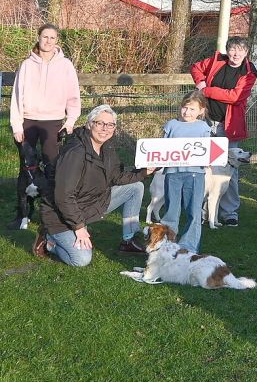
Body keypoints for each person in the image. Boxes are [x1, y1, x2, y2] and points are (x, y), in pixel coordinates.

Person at [36, 105, 154, 266]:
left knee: (136, 187)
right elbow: (63, 197)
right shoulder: (75, 152)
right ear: (89, 124)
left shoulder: (108, 147)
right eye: (100, 123)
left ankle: (129, 240)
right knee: (81, 259)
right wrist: (79, 227)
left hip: (90, 204)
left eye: (110, 125)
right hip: (60, 216)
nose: (105, 129)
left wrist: (144, 172)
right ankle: (49, 241)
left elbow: (117, 176)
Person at [190, 36, 257, 227]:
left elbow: (235, 96)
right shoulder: (216, 60)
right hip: (206, 121)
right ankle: (202, 210)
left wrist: (208, 91)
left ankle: (229, 212)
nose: (235, 53)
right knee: (204, 166)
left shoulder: (249, 72)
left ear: (246, 53)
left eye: (240, 50)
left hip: (227, 126)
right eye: (232, 49)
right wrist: (201, 83)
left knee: (229, 168)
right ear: (227, 51)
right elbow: (195, 67)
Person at [9, 23, 81, 178]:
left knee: (52, 164)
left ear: (56, 41)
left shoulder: (65, 65)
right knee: (26, 164)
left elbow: (73, 96)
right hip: (28, 121)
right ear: (39, 38)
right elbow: (16, 97)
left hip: (52, 121)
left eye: (52, 38)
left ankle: (49, 201)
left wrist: (70, 121)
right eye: (45, 37)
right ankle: (25, 199)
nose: (48, 41)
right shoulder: (27, 65)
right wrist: (17, 126)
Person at [161, 90, 211, 252]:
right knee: (171, 211)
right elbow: (162, 149)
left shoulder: (203, 127)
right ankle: (166, 244)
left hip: (195, 175)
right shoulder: (171, 125)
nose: (187, 112)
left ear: (201, 111)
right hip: (173, 173)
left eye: (192, 109)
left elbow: (208, 151)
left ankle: (189, 247)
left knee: (194, 211)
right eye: (185, 107)